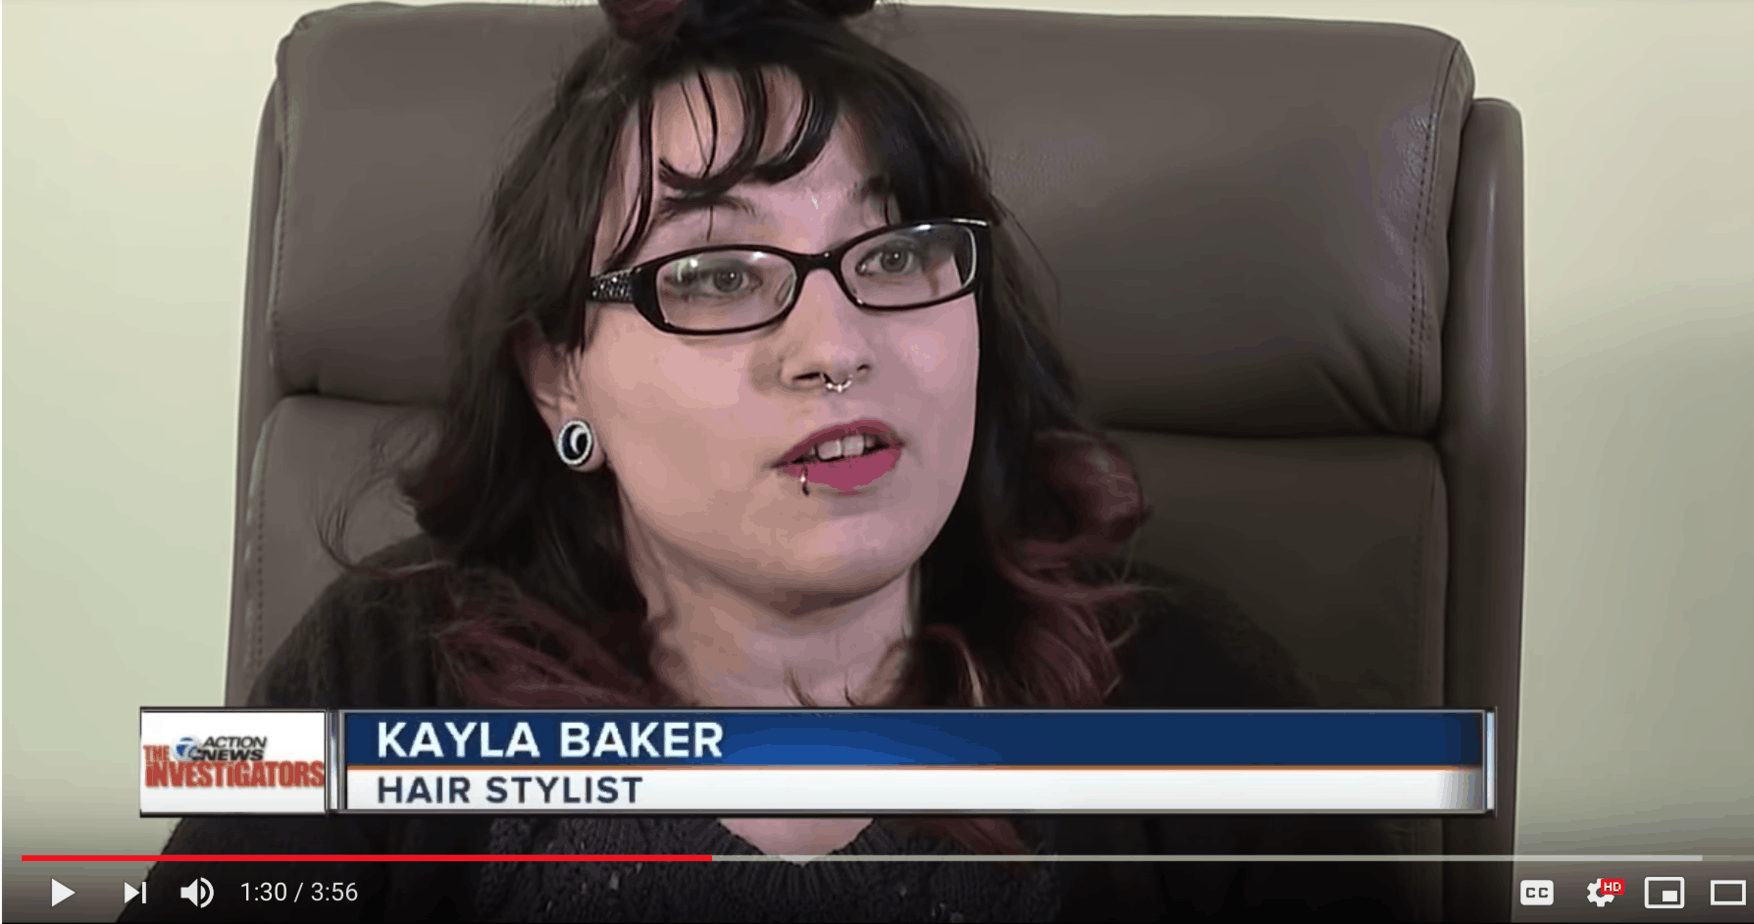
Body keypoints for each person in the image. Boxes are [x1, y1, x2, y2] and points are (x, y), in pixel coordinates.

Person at [126, 0, 1413, 920]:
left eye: (896, 253)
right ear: (558, 374)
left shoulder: (1189, 697)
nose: (834, 346)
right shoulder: (379, 674)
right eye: (713, 274)